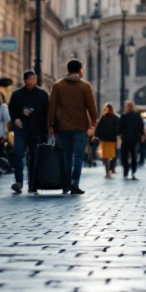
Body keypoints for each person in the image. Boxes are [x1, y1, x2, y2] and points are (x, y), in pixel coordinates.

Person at [47, 59, 98, 195]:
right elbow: (91, 106)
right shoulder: (85, 86)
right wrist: (94, 120)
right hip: (80, 127)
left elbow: (52, 106)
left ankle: (66, 184)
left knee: (66, 156)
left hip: (62, 127)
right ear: (80, 70)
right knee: (79, 156)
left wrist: (51, 124)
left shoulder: (57, 85)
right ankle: (75, 183)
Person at [8, 71, 49, 194]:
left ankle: (32, 184)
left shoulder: (42, 94)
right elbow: (11, 110)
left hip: (36, 130)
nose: (32, 81)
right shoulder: (17, 95)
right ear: (26, 80)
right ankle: (19, 182)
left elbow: (46, 113)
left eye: (34, 79)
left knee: (34, 157)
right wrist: (17, 118)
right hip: (21, 130)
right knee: (19, 153)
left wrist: (46, 132)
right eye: (30, 79)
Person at [118, 102, 145, 180]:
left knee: (125, 155)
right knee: (134, 155)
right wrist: (142, 134)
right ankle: (133, 171)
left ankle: (126, 170)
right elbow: (141, 126)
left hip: (126, 138)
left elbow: (120, 127)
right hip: (135, 138)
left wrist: (120, 134)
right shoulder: (137, 116)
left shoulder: (124, 116)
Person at [94, 104, 120, 179]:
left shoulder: (103, 118)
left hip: (104, 140)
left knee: (106, 157)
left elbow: (98, 128)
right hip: (112, 140)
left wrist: (97, 136)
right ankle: (112, 169)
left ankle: (107, 172)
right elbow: (119, 129)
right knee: (112, 155)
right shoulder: (116, 118)